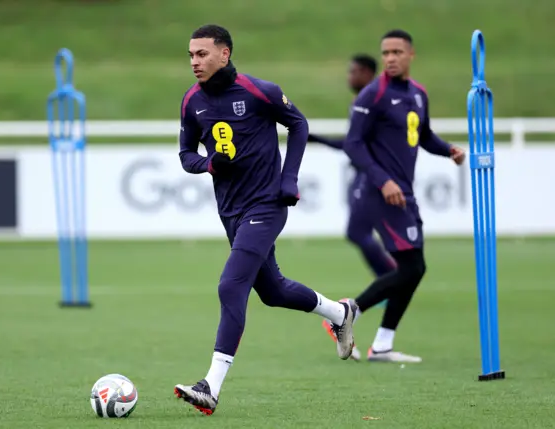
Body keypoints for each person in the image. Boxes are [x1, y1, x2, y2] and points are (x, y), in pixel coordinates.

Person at [174, 24, 356, 415]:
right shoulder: (192, 102)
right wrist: (209, 164)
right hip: (231, 211)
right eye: (190, 55)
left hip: (267, 204)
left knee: (230, 286)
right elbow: (186, 154)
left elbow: (299, 124)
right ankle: (341, 313)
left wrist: (288, 178)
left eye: (202, 54)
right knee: (272, 291)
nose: (194, 62)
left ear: (225, 54)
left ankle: (211, 386)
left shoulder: (260, 92)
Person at [322, 29, 466, 364]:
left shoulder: (418, 94)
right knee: (413, 266)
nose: (390, 58)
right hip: (381, 193)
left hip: (403, 191)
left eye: (397, 52)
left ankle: (380, 343)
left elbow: (424, 135)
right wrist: (383, 180)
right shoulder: (372, 95)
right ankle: (347, 312)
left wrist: (448, 150)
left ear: (411, 55)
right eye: (385, 52)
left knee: (412, 268)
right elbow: (354, 144)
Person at [308, 54, 396, 320]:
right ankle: (389, 281)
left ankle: (390, 281)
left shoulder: (371, 102)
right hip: (364, 175)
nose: (350, 77)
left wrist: (318, 139)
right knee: (360, 232)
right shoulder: (361, 101)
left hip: (371, 176)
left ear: (369, 73)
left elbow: (355, 144)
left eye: (355, 72)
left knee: (357, 232)